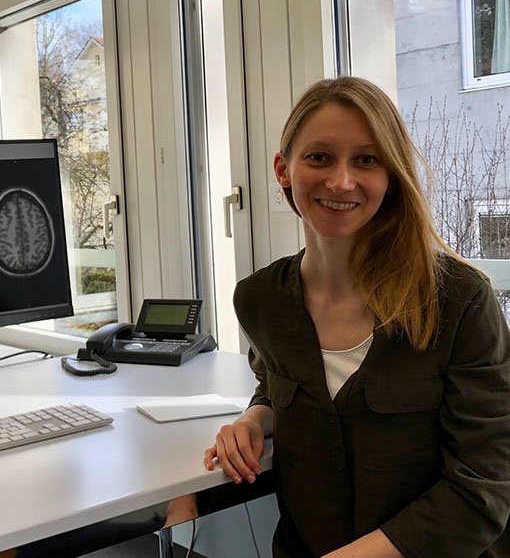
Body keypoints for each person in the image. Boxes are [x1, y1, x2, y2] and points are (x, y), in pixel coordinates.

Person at [203, 76, 510, 557]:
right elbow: (280, 385)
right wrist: (254, 420)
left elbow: (483, 489)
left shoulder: (459, 301)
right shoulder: (260, 299)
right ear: (284, 169)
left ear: (390, 177)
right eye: (319, 157)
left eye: (366, 160)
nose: (341, 181)